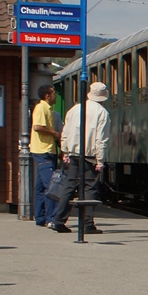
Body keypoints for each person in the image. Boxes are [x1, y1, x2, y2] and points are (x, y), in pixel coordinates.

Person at [49, 81, 110, 234]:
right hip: (90, 156)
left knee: (69, 187)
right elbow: (101, 139)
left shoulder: (74, 109)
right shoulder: (102, 113)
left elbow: (66, 132)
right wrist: (100, 160)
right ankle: (88, 224)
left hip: (73, 154)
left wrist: (65, 151)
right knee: (90, 189)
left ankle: (59, 220)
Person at [30, 85, 61, 228]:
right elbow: (37, 127)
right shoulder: (42, 108)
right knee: (51, 185)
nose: (55, 96)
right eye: (53, 93)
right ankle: (51, 217)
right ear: (47, 95)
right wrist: (54, 133)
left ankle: (40, 217)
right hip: (43, 150)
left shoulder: (48, 109)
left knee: (40, 186)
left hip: (45, 149)